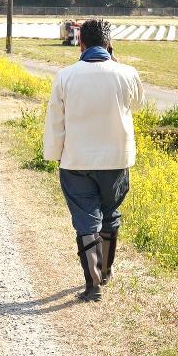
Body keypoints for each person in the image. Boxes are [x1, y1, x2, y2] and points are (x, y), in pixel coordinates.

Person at [42, 18, 143, 301]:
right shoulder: (127, 73)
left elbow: (55, 121)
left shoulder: (66, 76)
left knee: (86, 221)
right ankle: (106, 272)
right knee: (110, 215)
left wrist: (53, 154)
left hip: (76, 161)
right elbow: (138, 104)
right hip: (116, 159)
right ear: (109, 45)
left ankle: (93, 285)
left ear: (80, 43)